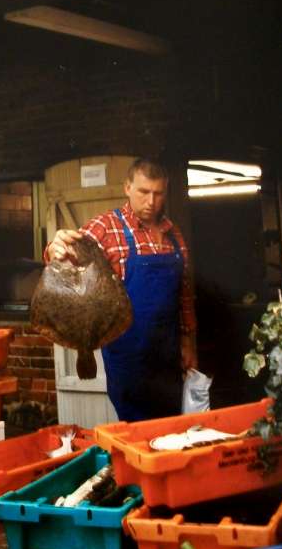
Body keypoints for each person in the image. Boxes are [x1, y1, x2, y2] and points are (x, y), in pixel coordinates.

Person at [45, 158, 197, 421]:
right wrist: (54, 248)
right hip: (128, 356)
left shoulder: (174, 234)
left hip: (169, 355)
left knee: (172, 427)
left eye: (158, 193)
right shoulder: (106, 228)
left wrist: (188, 342)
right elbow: (66, 257)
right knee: (137, 430)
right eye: (143, 192)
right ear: (127, 188)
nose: (151, 201)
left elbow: (184, 294)